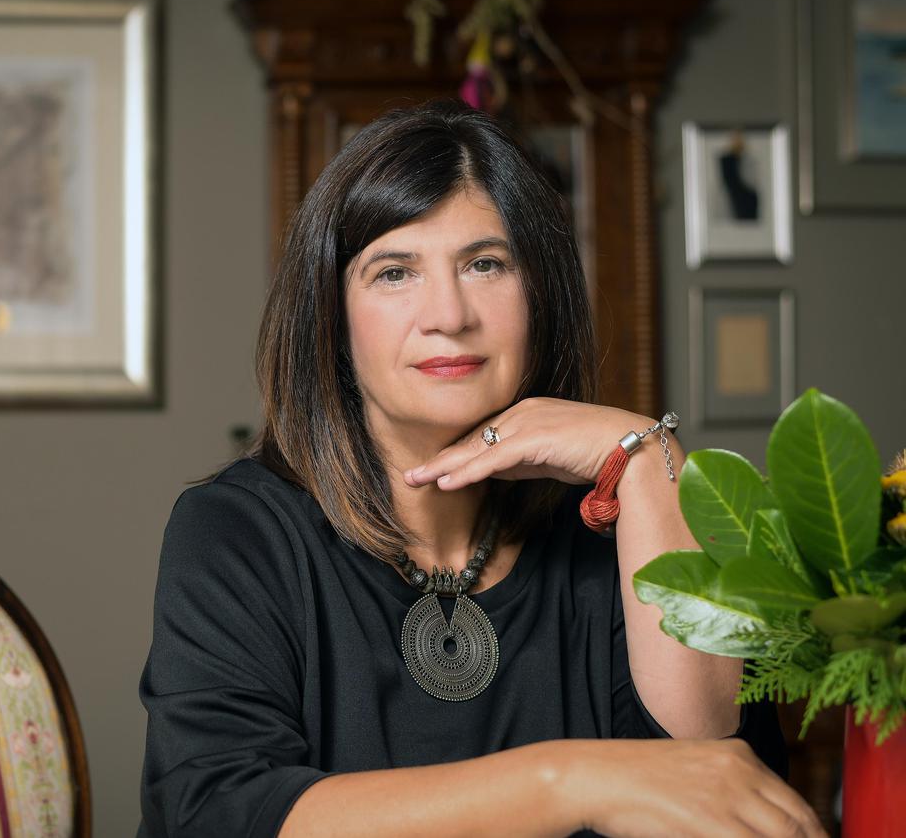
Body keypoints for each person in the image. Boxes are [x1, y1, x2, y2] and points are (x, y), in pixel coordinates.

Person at [137, 99, 825, 838]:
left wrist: (649, 460)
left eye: (485, 264)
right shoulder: (236, 531)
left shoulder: (609, 536)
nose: (449, 313)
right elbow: (216, 813)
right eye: (394, 272)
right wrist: (569, 782)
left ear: (540, 294)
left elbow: (720, 789)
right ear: (332, 318)